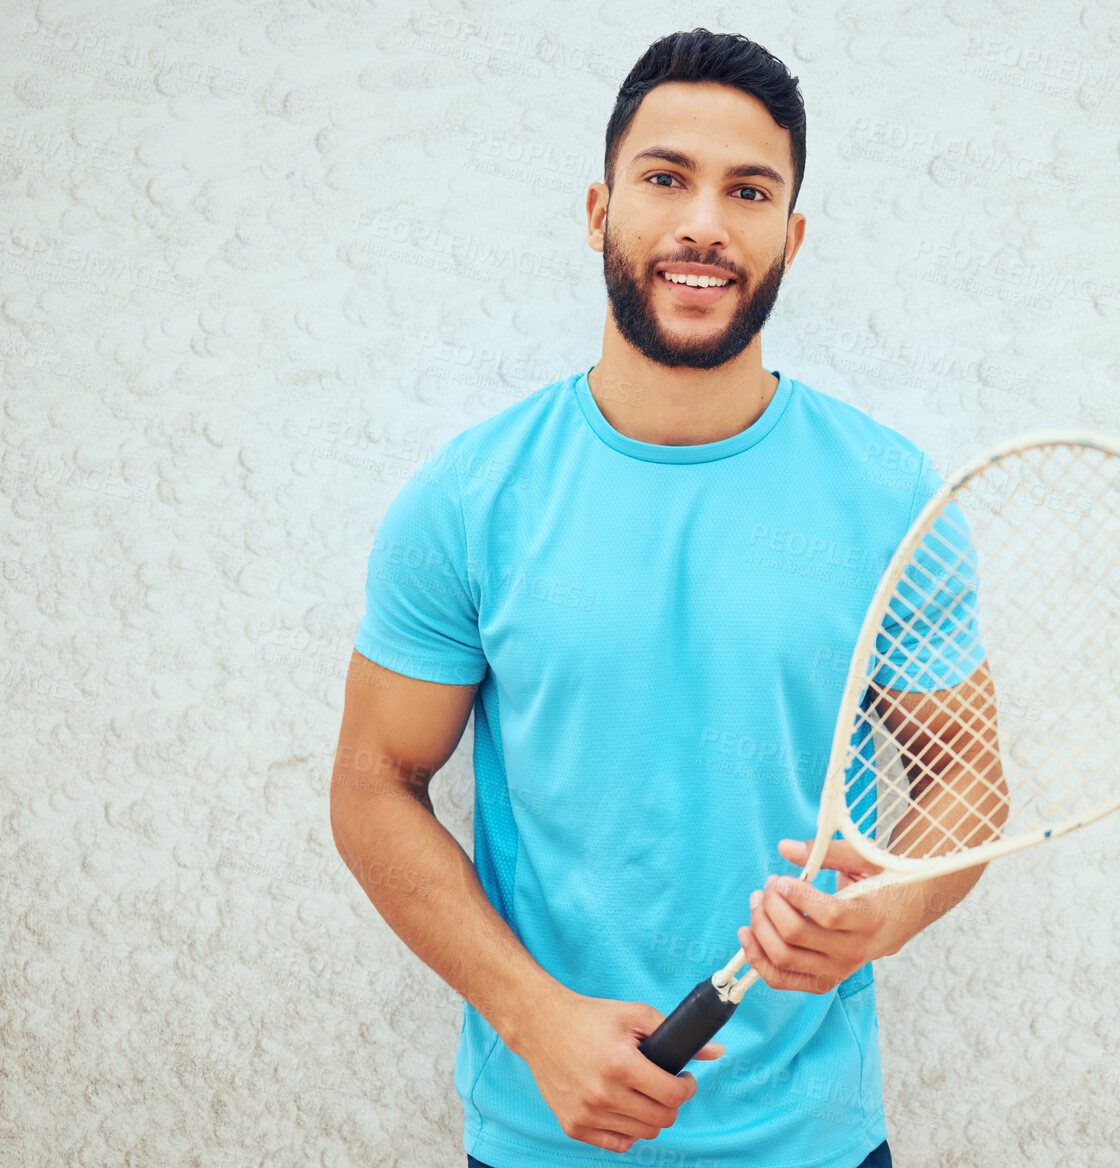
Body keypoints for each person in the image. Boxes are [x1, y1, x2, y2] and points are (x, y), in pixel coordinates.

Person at [328, 27, 989, 1168]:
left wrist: (884, 911)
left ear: (789, 236)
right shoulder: (470, 499)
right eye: (666, 178)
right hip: (545, 1137)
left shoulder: (890, 498)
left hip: (815, 1144)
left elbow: (965, 773)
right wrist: (533, 1017)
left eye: (747, 190)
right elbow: (372, 785)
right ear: (599, 211)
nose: (703, 223)